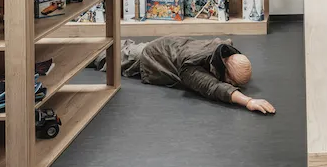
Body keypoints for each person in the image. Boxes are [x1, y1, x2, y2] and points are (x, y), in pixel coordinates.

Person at [99, 37, 275, 114]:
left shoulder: (222, 50)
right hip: (153, 56)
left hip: (169, 46)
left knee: (125, 47)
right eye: (232, 81)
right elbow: (213, 87)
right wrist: (248, 101)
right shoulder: (191, 68)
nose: (231, 85)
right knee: (108, 57)